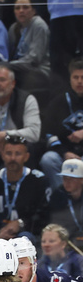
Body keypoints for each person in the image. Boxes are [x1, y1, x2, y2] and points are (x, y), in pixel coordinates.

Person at [39, 59, 83, 195]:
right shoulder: (58, 102)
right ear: (70, 79)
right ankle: (62, 198)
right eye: (76, 77)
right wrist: (65, 153)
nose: (79, 81)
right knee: (48, 159)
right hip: (64, 154)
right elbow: (47, 134)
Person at [6, 0, 50, 94]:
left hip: (40, 70)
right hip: (19, 67)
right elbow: (10, 56)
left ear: (33, 11)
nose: (21, 11)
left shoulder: (39, 25)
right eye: (17, 8)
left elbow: (34, 59)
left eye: (25, 7)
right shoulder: (13, 28)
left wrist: (9, 65)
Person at [49, 158, 83, 245]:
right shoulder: (58, 195)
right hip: (68, 240)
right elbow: (54, 222)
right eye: (65, 178)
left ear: (81, 179)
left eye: (72, 178)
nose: (67, 182)